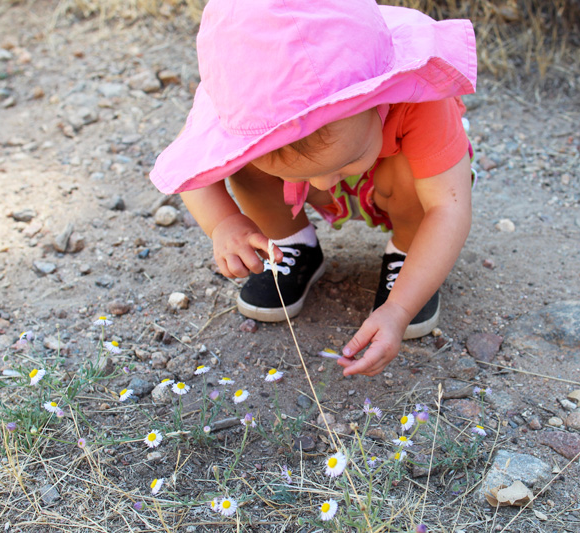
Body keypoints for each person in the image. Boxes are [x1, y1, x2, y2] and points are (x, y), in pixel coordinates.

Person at [149, 0, 477, 377]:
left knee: (422, 186)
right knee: (245, 165)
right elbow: (196, 172)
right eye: (305, 173)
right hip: (329, 172)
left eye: (345, 161)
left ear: (378, 97)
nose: (322, 184)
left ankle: (410, 256)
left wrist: (398, 310)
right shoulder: (246, 105)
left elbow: (448, 208)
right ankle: (290, 245)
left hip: (397, 184)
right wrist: (224, 223)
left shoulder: (419, 98)